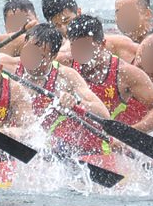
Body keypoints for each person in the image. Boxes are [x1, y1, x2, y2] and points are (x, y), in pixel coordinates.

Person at [67, 14, 153, 131]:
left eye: (86, 47)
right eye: (75, 47)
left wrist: (129, 135)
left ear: (102, 45)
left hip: (107, 145)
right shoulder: (64, 63)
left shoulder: (125, 73)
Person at [16, 24, 110, 155]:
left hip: (51, 146)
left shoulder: (66, 76)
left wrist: (76, 103)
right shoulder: (9, 67)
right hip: (18, 137)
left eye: (41, 56)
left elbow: (104, 114)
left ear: (53, 57)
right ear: (24, 44)